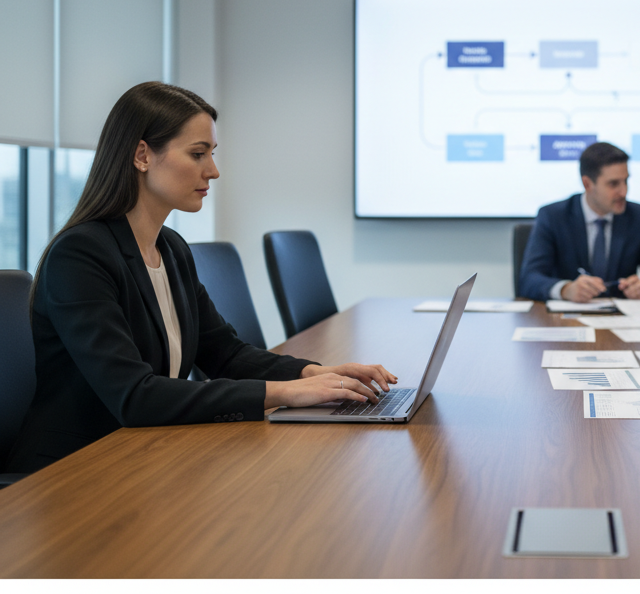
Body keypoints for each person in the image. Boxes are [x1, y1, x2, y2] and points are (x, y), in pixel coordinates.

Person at [6, 82, 397, 474]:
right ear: (142, 155)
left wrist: (315, 374)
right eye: (197, 154)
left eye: (211, 153)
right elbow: (134, 396)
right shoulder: (80, 255)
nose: (213, 170)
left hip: (146, 456)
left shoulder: (172, 249)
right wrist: (286, 393)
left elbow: (225, 353)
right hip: (75, 470)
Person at [518, 141, 640, 302]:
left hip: (622, 314)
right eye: (613, 184)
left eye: (626, 181)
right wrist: (566, 289)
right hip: (568, 314)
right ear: (587, 184)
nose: (624, 192)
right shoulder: (553, 216)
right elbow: (529, 279)